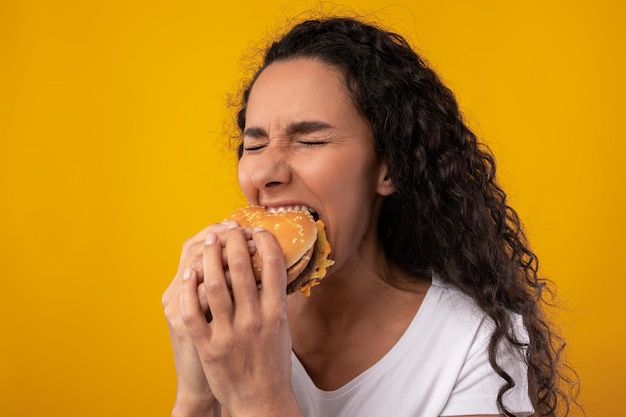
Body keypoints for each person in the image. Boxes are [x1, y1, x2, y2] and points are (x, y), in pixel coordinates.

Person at [162, 16, 581, 417]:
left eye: (310, 140)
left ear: (390, 168)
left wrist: (261, 401)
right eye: (254, 146)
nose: (266, 173)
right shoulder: (228, 325)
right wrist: (196, 399)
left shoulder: (475, 340)